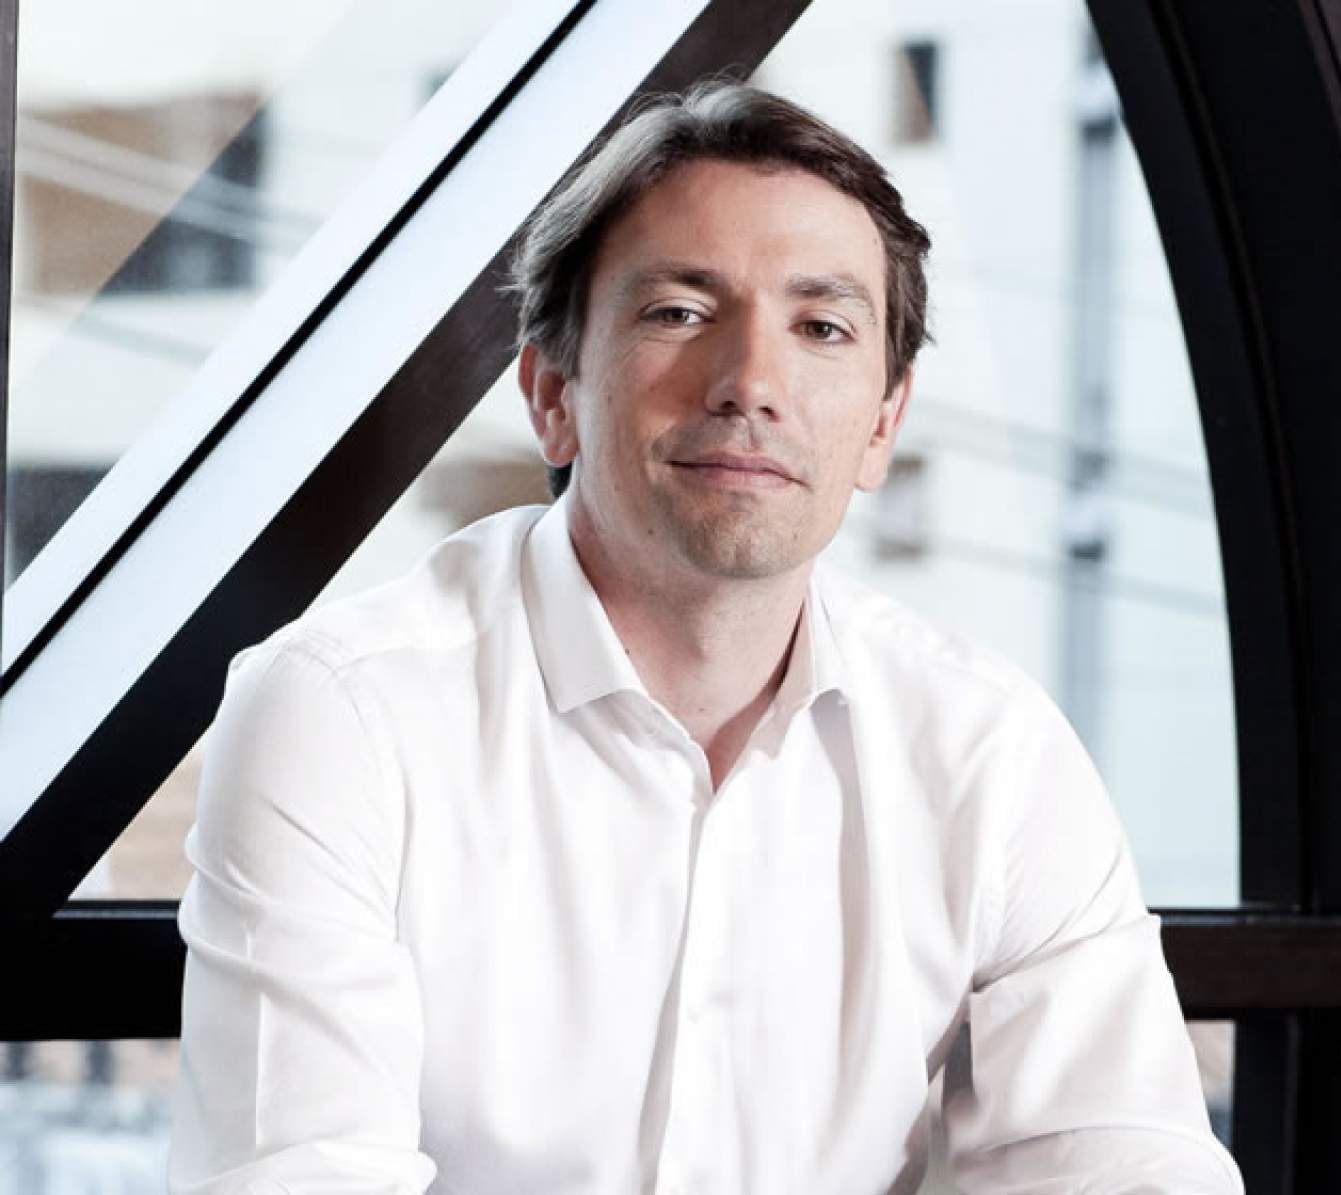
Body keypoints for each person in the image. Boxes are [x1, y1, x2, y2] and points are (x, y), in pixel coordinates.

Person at [168, 79, 1242, 1194]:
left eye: (821, 328)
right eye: (680, 312)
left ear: (883, 422)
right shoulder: (344, 711)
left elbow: (1127, 1163)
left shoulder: (991, 749)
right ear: (552, 392)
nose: (751, 384)